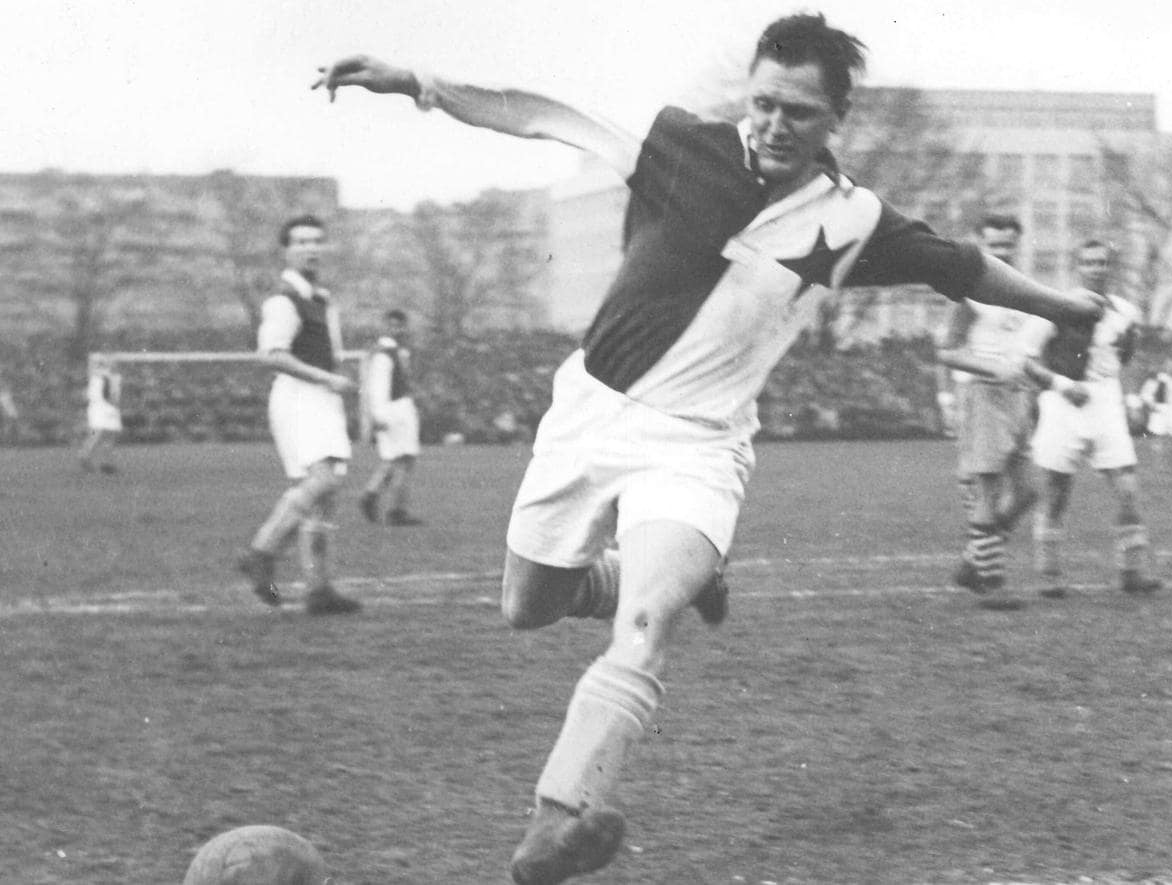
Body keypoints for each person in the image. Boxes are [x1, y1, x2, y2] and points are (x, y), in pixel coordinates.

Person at [314, 14, 1101, 884]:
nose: (774, 125)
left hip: (697, 444)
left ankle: (556, 819)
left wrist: (1064, 307)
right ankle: (677, 576)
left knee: (645, 624)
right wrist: (417, 82)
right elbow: (543, 115)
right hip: (589, 414)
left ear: (837, 118)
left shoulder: (854, 219)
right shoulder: (681, 146)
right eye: (764, 104)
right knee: (529, 606)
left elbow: (960, 267)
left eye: (799, 113)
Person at [235, 214, 363, 616]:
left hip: (320, 399)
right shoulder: (283, 299)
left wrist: (332, 382)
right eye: (301, 241)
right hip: (299, 397)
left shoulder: (319, 298)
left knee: (326, 496)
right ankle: (263, 550)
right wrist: (328, 378)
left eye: (316, 240)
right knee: (323, 480)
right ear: (286, 251)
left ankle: (318, 589)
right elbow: (271, 355)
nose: (311, 248)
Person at [1020, 240, 1163, 598]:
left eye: (1102, 262)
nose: (1097, 268)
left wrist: (1128, 396)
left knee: (1127, 488)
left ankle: (1131, 571)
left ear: (1110, 267)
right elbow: (1026, 361)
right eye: (1089, 262)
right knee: (1056, 491)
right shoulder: (1055, 307)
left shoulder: (1124, 312)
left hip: (1106, 403)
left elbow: (1125, 356)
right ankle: (1050, 574)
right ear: (1078, 266)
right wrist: (1063, 385)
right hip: (1063, 403)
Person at [935, 213, 1042, 610]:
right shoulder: (970, 293)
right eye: (994, 245)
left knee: (1028, 492)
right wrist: (992, 369)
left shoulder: (1020, 290)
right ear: (981, 244)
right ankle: (991, 582)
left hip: (1017, 396)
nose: (1001, 251)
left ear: (1017, 244)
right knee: (988, 490)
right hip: (982, 394)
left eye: (1007, 244)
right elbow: (947, 352)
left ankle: (973, 559)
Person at [359, 309, 424, 525]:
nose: (396, 330)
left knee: (397, 459)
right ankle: (396, 511)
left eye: (400, 326)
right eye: (392, 326)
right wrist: (379, 416)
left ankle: (371, 495)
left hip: (400, 408)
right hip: (394, 410)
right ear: (385, 326)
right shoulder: (384, 354)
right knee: (404, 459)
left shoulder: (396, 351)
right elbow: (378, 388)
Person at [1139, 358, 1172, 471]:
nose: (1171, 368)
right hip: (1160, 411)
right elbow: (1145, 394)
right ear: (1164, 366)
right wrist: (1152, 405)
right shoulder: (1157, 379)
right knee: (1157, 437)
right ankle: (1158, 466)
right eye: (1169, 365)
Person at [78, 354, 123, 473]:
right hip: (105, 407)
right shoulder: (107, 376)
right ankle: (87, 456)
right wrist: (113, 403)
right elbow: (111, 394)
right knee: (101, 434)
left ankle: (103, 461)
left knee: (104, 435)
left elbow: (87, 394)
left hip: (101, 407)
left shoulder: (101, 376)